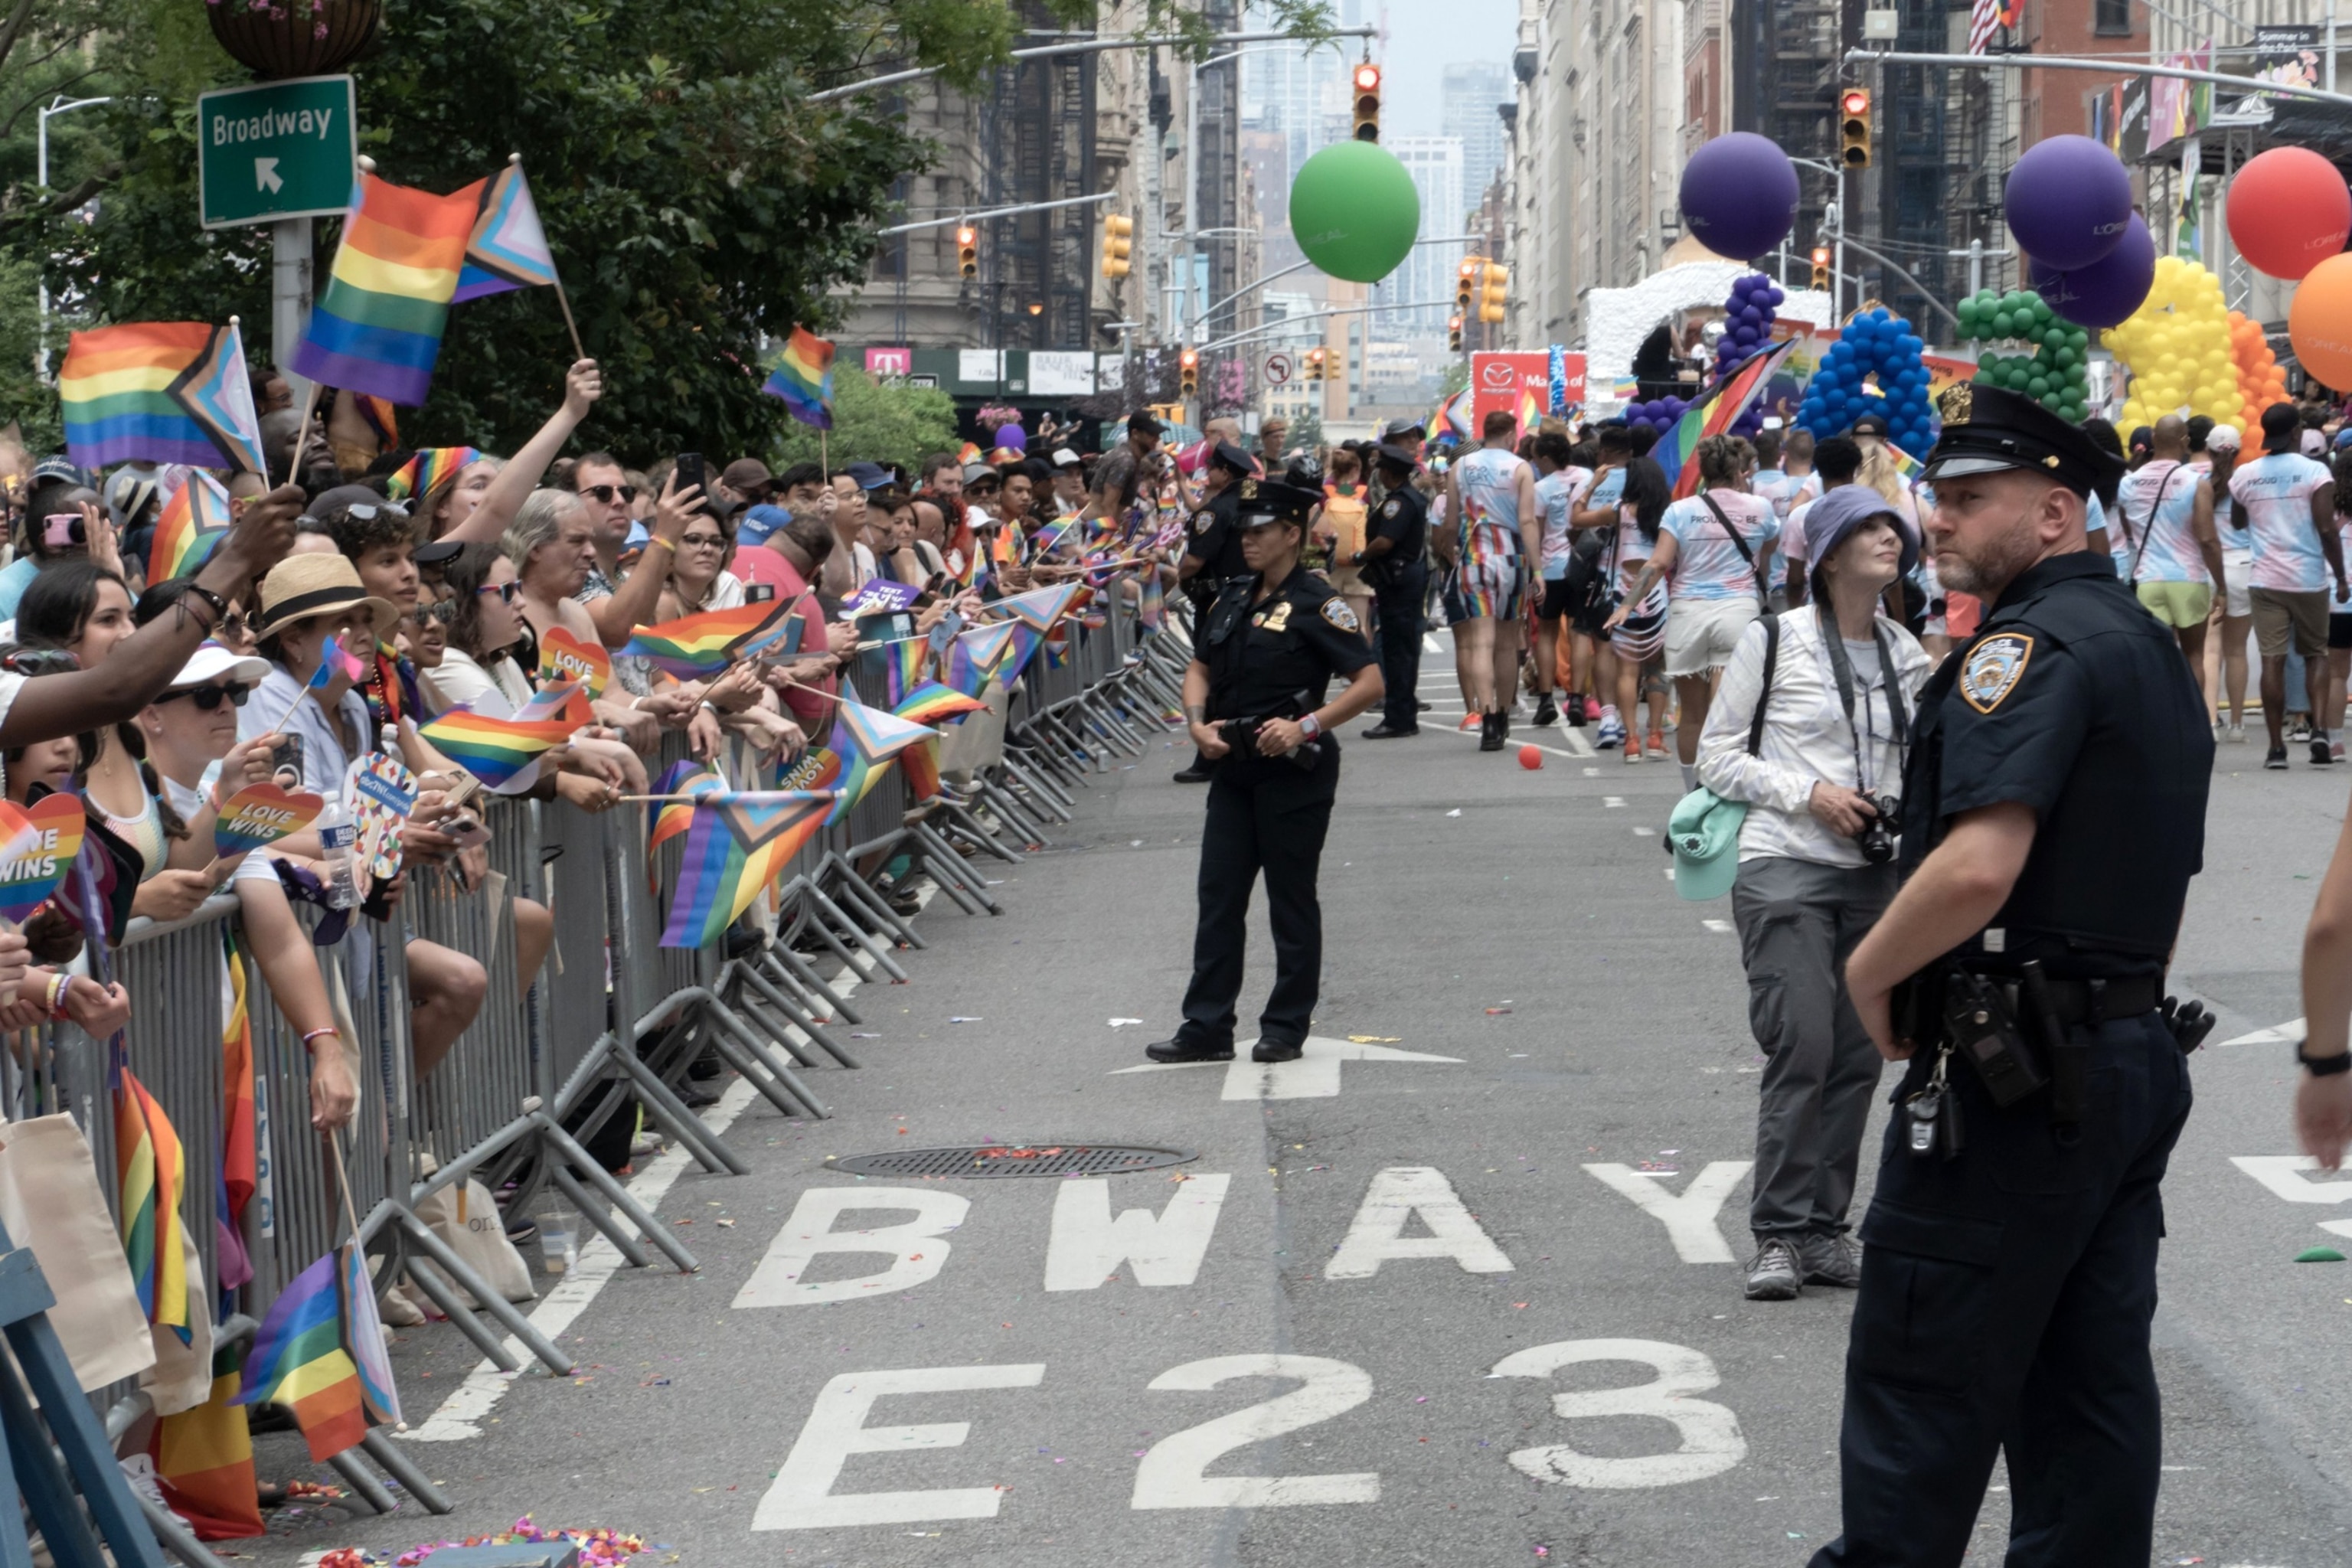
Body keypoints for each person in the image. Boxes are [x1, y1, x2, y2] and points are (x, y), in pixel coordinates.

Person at [1818, 382, 2210, 1567]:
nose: (1936, 520)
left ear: (2054, 514)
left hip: (2015, 1079)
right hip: (2124, 1056)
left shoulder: (2025, 648)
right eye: (1935, 496)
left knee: (1919, 1396)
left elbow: (1980, 866)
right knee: (2087, 1396)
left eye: (1967, 499)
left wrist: (1868, 974)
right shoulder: (2144, 644)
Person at [1697, 485, 1931, 1301]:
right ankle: (1778, 1230)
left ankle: (1826, 1230)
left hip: (1876, 874)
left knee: (1861, 1055)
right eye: (1867, 529)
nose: (1887, 539)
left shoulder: (1907, 650)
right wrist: (1813, 794)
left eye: (1893, 529)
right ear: (1828, 555)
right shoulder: (1775, 640)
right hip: (1784, 865)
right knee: (1803, 1044)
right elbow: (1716, 756)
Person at [1145, 480, 1383, 1067]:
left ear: (1290, 536)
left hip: (1293, 769)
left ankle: (1284, 1026)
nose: (1246, 541)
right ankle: (1206, 1026)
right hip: (1234, 765)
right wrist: (1198, 725)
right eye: (1242, 532)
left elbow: (1370, 682)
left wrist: (1307, 727)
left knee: (1290, 901)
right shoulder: (1232, 596)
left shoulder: (1316, 602)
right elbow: (1199, 666)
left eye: (1258, 532)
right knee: (1219, 898)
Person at [1610, 434, 1777, 790]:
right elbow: (1769, 548)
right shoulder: (1760, 508)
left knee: (1692, 715)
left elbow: (1657, 563)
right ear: (1739, 469)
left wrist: (1626, 604)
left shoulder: (1680, 510)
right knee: (1727, 715)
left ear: (1703, 470)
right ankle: (1722, 792)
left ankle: (1692, 793)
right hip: (1738, 612)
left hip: (1687, 613)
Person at [2229, 400, 2344, 768]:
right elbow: (2327, 528)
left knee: (2272, 660)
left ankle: (2276, 748)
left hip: (2265, 579)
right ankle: (2319, 732)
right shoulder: (2315, 473)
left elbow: (2236, 521)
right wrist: (2340, 576)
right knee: (2316, 655)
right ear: (2296, 432)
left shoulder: (2246, 474)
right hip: (2308, 578)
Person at [1441, 411, 1541, 750]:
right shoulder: (1520, 468)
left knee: (1481, 642)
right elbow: (1527, 521)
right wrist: (1538, 570)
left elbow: (1450, 521)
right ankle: (1502, 713)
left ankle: (1485, 720)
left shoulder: (1461, 468)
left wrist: (1449, 554)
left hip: (1474, 559)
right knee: (1507, 642)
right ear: (1512, 436)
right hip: (1513, 560)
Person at [2112, 415, 2226, 698]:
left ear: (2153, 440)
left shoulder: (2129, 484)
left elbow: (2128, 528)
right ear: (2185, 442)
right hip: (2188, 580)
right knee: (2194, 656)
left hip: (2147, 580)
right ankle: (2195, 724)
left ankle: (2160, 726)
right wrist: (2221, 586)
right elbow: (2208, 539)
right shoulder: (2196, 483)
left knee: (2155, 660)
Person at [1171, 443, 1256, 783]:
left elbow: (1194, 561)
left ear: (1224, 472)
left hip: (1219, 603)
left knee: (1212, 675)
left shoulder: (1215, 511)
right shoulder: (1256, 504)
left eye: (1212, 467)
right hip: (1254, 598)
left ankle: (1208, 757)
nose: (1208, 473)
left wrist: (1179, 575)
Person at [1357, 443, 1429, 739]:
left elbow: (1385, 541)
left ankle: (1398, 717)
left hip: (1398, 579)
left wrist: (1362, 556)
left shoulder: (1397, 502)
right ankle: (1405, 713)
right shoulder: (1415, 497)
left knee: (1398, 650)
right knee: (1407, 647)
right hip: (1410, 577)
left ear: (1389, 472)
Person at [2194, 420, 2252, 740]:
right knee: (2238, 650)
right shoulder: (2248, 481)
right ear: (2239, 450)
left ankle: (2210, 720)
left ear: (2208, 450)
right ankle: (2238, 724)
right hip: (2244, 566)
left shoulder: (2197, 481)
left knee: (2210, 648)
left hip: (2208, 567)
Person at [1528, 430, 1591, 728]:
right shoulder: (1588, 477)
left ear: (1545, 458)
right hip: (1583, 565)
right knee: (1580, 632)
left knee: (1547, 633)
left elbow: (1537, 533)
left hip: (1551, 568)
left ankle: (1545, 700)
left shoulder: (1541, 488)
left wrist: (1534, 571)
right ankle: (1577, 697)